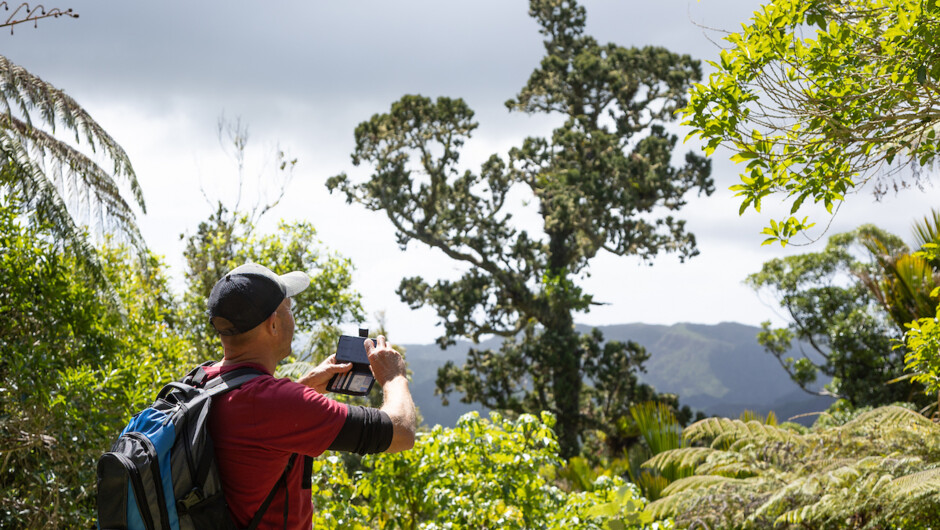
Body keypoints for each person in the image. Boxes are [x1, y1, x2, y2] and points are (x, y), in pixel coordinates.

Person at [201, 262, 416, 529]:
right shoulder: (275, 404)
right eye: (289, 308)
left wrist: (304, 388)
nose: (293, 317)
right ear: (273, 325)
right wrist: (394, 376)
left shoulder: (203, 379)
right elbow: (401, 433)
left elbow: (256, 427)